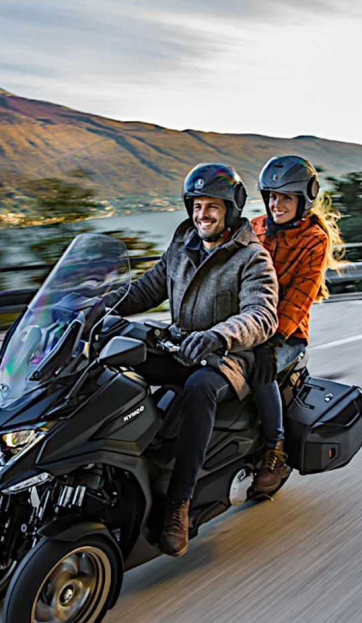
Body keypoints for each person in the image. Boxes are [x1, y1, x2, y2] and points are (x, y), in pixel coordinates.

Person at [107, 163, 278, 556]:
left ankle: (178, 505)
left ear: (230, 209)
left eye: (212, 206)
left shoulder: (252, 258)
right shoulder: (182, 245)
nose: (203, 214)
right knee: (115, 352)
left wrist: (219, 336)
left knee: (199, 389)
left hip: (227, 359)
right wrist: (95, 307)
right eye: (197, 206)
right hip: (180, 347)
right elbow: (146, 290)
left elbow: (261, 314)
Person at [249, 155, 345, 492]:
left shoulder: (314, 239)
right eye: (272, 196)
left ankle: (275, 449)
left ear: (303, 199)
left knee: (260, 371)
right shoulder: (254, 228)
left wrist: (273, 340)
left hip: (287, 333)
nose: (276, 205)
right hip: (247, 324)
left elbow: (300, 297)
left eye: (286, 198)